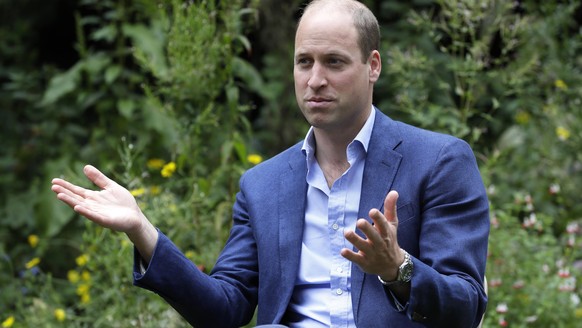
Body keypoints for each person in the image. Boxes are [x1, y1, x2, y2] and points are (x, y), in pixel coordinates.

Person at [51, 0, 490, 327]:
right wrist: (142, 232)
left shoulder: (439, 161)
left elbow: (466, 307)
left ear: (372, 65)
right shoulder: (263, 184)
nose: (315, 80)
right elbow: (224, 308)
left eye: (334, 62)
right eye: (304, 62)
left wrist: (398, 269)